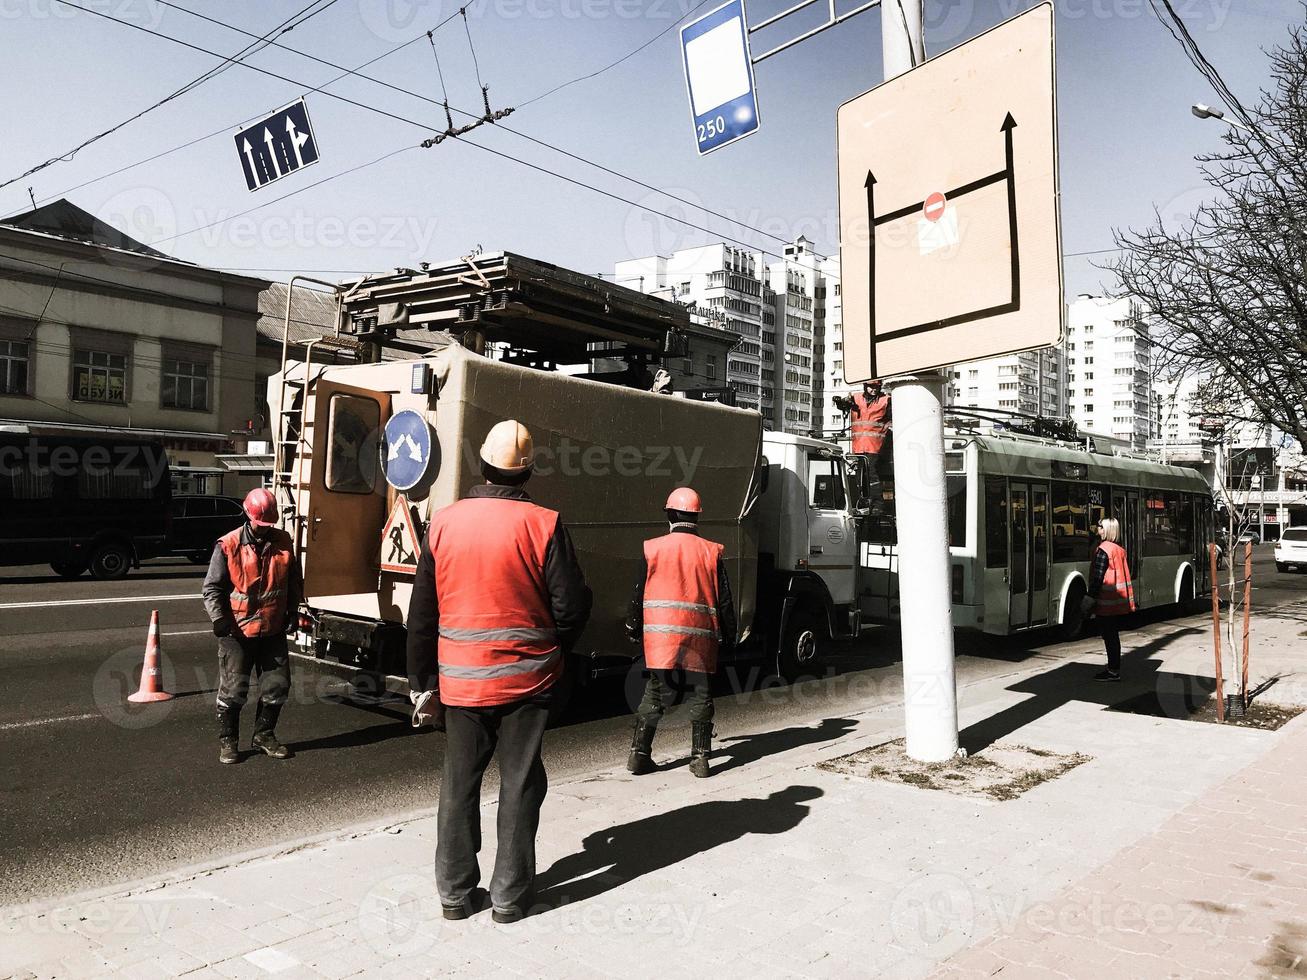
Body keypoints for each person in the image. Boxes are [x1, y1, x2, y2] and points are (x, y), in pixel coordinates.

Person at [406, 419, 592, 924]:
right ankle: (509, 898)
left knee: (458, 783)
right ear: (527, 472)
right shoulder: (545, 523)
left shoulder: (444, 522)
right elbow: (572, 606)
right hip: (527, 683)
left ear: (482, 465)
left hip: (460, 681)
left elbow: (422, 612)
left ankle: (454, 894)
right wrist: (552, 649)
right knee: (520, 783)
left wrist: (421, 680)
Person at [625, 487, 737, 779]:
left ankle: (639, 755)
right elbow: (724, 600)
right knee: (700, 694)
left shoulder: (653, 548)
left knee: (654, 692)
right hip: (700, 638)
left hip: (661, 638)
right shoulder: (711, 552)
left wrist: (633, 626)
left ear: (671, 515)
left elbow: (639, 593)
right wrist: (731, 633)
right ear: (696, 517)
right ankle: (700, 759)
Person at [202, 487, 300, 765]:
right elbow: (212, 588)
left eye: (269, 524)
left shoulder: (283, 541)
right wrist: (219, 619)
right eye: (261, 523)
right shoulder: (228, 544)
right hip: (237, 631)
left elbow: (293, 579)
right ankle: (228, 741)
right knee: (234, 691)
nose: (265, 528)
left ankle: (264, 736)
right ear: (249, 515)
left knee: (277, 686)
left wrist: (293, 610)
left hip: (272, 628)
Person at [1085, 516, 1136, 681]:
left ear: (1105, 529)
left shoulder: (1103, 550)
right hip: (1117, 601)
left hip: (1105, 602)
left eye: (1100, 526)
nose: (1097, 528)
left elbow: (1098, 577)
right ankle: (1114, 668)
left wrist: (1088, 598)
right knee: (1113, 635)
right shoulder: (1118, 550)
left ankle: (1113, 670)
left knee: (1109, 636)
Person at [832, 380, 891, 503]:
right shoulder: (855, 398)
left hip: (876, 444)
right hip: (859, 445)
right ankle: (864, 500)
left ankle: (876, 502)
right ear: (865, 386)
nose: (874, 389)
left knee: (871, 471)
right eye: (871, 387)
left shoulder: (885, 400)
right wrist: (840, 402)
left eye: (877, 387)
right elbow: (844, 405)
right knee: (860, 473)